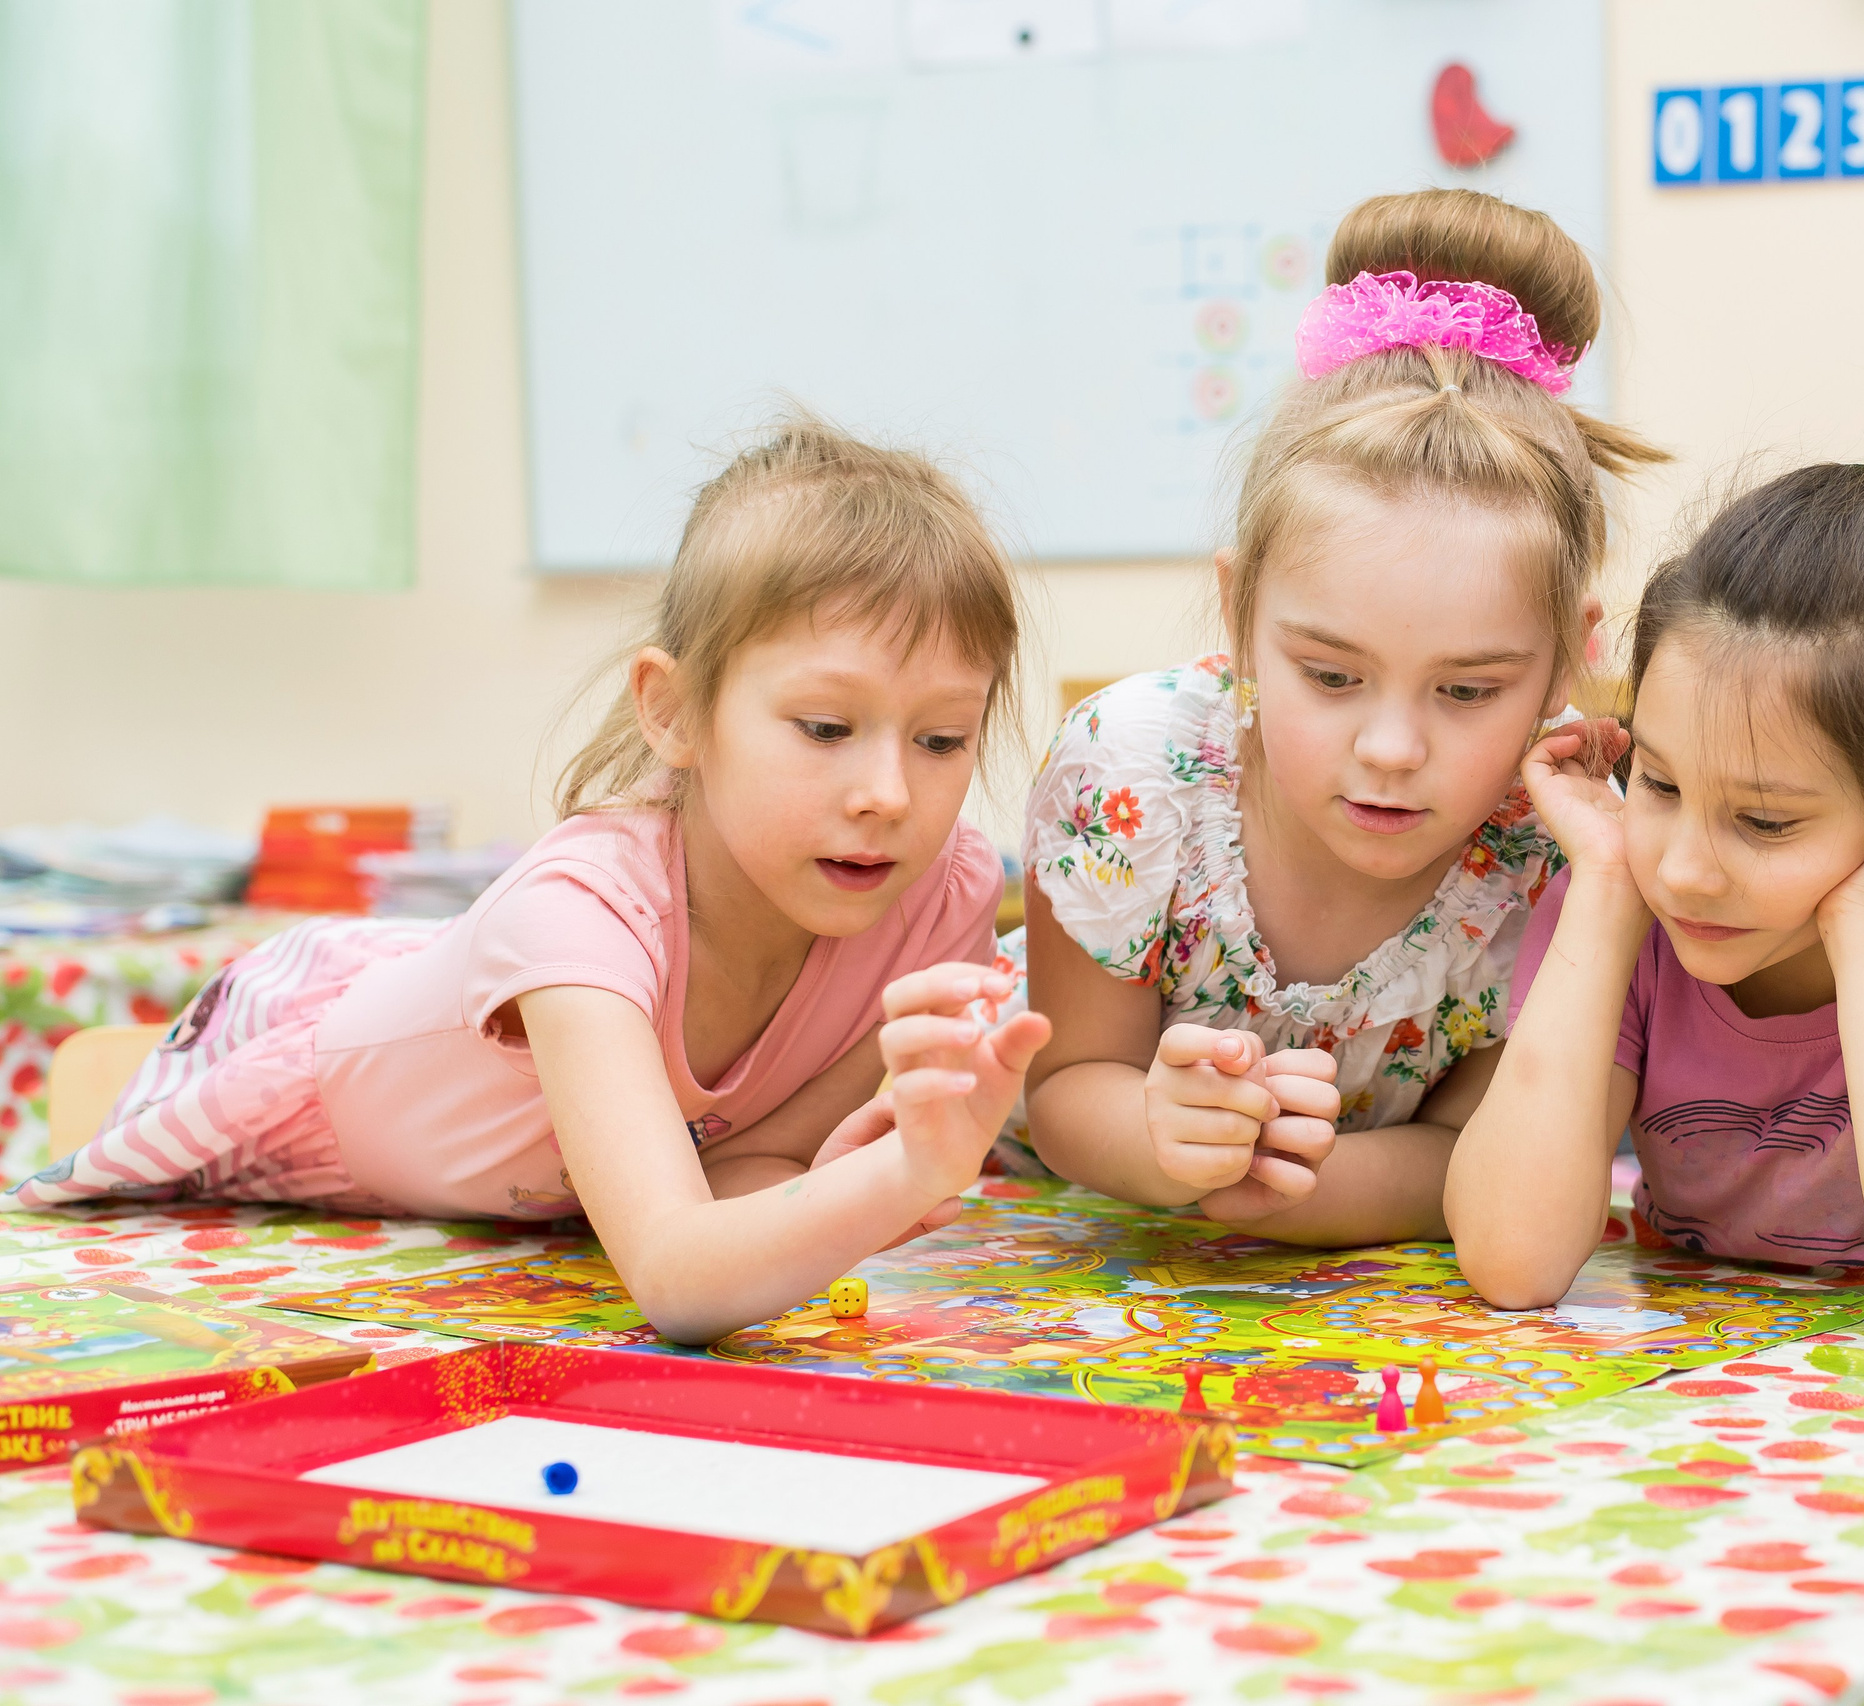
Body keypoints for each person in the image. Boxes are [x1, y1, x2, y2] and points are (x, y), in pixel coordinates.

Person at [13, 420, 1048, 1343]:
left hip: (531, 1189)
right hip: (301, 1113)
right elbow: (677, 1278)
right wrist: (903, 1173)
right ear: (674, 711)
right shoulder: (577, 917)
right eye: (824, 728)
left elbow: (739, 1166)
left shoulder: (936, 895)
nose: (888, 794)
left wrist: (840, 1184)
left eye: (942, 739)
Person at [1016, 189, 1666, 1244]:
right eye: (1329, 675)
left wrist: (1280, 1189)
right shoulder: (1128, 772)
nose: (1391, 749)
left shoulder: (1556, 850)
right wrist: (1159, 1136)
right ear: (1238, 612)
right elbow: (1067, 1083)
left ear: (1567, 655)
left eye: (1467, 691)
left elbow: (1481, 1149)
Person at [1447, 410, 1864, 1351]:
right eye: (1659, 784)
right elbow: (1510, 1258)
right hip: (1703, 1405)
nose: (1683, 872)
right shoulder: (1625, 904)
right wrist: (1606, 886)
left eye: (1766, 823)